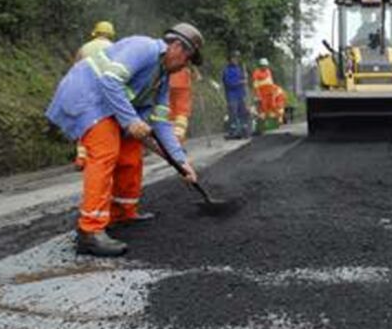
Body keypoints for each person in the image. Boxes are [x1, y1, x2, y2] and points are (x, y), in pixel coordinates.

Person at [46, 23, 202, 256]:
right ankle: (89, 232)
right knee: (105, 151)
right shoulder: (145, 48)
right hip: (88, 96)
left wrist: (181, 161)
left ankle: (122, 213)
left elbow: (160, 123)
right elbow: (109, 80)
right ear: (178, 47)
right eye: (187, 59)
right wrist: (130, 121)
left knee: (130, 153)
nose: (185, 66)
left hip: (111, 107)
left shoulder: (162, 77)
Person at [73, 21, 117, 169]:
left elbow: (75, 70)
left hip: (85, 90)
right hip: (105, 92)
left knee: (84, 124)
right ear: (111, 34)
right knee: (105, 125)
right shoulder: (114, 48)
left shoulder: (84, 48)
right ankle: (102, 155)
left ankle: (81, 158)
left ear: (95, 33)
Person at [222, 50, 251, 139]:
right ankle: (233, 132)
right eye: (234, 58)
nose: (236, 60)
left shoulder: (239, 69)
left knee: (243, 113)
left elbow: (243, 80)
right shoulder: (226, 70)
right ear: (230, 59)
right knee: (233, 114)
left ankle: (243, 130)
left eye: (237, 58)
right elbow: (229, 83)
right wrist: (241, 82)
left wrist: (245, 78)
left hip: (241, 95)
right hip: (232, 96)